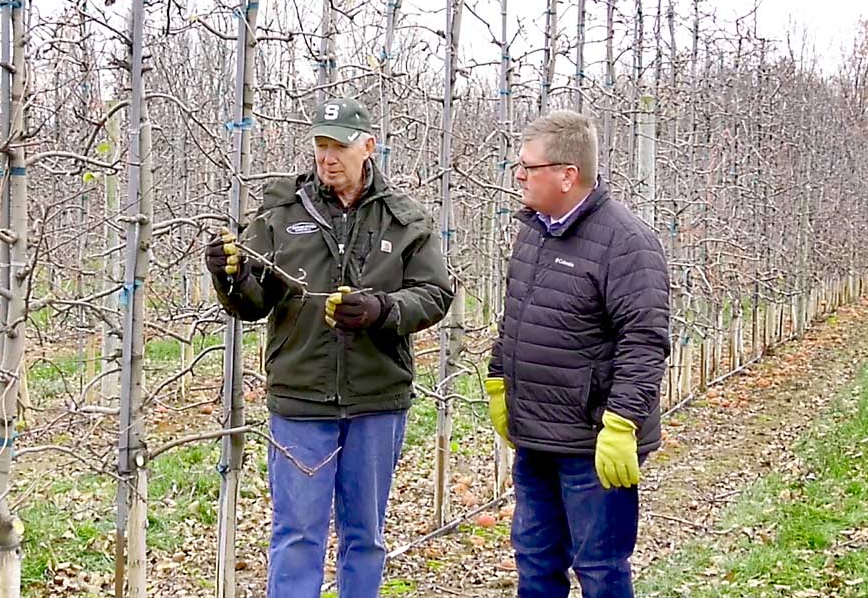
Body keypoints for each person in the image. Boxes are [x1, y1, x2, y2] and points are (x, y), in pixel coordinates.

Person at [205, 97, 453, 598]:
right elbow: (252, 303)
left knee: (364, 536)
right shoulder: (280, 212)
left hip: (376, 399)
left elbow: (435, 294)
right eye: (320, 145)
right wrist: (226, 276)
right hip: (301, 398)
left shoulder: (403, 219)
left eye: (338, 145)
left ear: (368, 147)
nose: (328, 157)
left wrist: (381, 311)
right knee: (297, 535)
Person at [486, 110, 670, 598]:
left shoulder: (627, 243)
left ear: (568, 175)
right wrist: (499, 380)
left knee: (600, 569)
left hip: (592, 444)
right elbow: (516, 317)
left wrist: (622, 422)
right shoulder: (533, 231)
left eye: (529, 167)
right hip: (536, 439)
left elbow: (644, 339)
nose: (519, 176)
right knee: (535, 563)